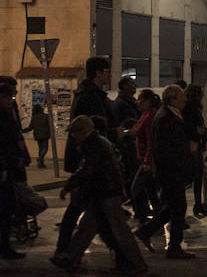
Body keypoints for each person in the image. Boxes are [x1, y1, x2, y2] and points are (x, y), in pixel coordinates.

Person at [50, 115, 146, 273]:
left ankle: (135, 263)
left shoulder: (93, 144)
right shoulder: (99, 141)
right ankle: (70, 257)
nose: (73, 138)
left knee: (118, 230)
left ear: (81, 132)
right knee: (88, 227)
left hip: (106, 193)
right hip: (103, 192)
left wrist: (68, 185)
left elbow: (87, 169)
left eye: (74, 133)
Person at [58, 57, 120, 255]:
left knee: (94, 212)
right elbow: (91, 131)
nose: (109, 74)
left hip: (91, 163)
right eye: (107, 71)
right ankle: (65, 252)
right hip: (91, 162)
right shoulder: (89, 97)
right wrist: (114, 134)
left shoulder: (90, 95)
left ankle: (67, 253)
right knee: (86, 210)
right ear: (99, 73)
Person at [133, 85, 195, 260]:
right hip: (170, 171)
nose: (184, 100)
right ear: (172, 99)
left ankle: (146, 231)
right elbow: (163, 148)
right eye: (181, 97)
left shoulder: (172, 115)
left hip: (173, 170)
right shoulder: (165, 118)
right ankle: (173, 247)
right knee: (178, 207)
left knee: (172, 207)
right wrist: (176, 164)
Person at [0, 83, 27, 260]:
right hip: (4, 168)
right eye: (7, 97)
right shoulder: (2, 116)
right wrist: (2, 165)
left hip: (9, 167)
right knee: (5, 207)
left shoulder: (7, 114)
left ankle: (5, 246)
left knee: (7, 207)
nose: (10, 100)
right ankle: (4, 247)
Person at [131, 89, 160, 225]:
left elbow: (150, 141)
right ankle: (159, 217)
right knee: (151, 190)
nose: (138, 102)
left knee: (136, 189)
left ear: (148, 101)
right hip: (144, 158)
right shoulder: (145, 115)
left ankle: (144, 220)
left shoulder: (149, 117)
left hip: (147, 161)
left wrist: (148, 161)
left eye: (140, 99)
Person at [183, 84, 207, 217]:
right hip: (193, 146)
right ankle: (196, 205)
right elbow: (187, 126)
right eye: (200, 93)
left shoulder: (193, 108)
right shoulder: (189, 108)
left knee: (198, 176)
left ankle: (198, 204)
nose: (203, 95)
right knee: (193, 177)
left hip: (197, 145)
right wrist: (197, 131)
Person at [114, 77, 140, 194]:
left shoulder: (131, 102)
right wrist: (129, 132)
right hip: (128, 143)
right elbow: (123, 126)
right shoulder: (122, 104)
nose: (134, 86)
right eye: (131, 84)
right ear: (124, 86)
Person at [23, 104, 51, 169]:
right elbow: (49, 126)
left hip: (37, 135)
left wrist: (23, 130)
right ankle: (40, 159)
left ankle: (41, 163)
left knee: (41, 148)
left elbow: (30, 127)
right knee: (45, 148)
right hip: (45, 134)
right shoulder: (46, 116)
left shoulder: (34, 117)